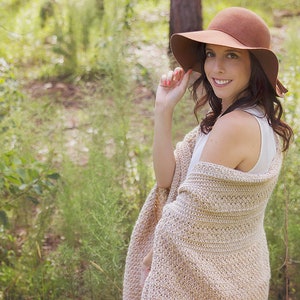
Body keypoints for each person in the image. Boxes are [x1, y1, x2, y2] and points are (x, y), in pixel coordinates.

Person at [123, 7, 293, 300]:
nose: (216, 68)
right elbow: (168, 179)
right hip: (240, 276)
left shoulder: (234, 126)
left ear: (255, 66)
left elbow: (185, 219)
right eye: (211, 54)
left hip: (212, 284)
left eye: (232, 56)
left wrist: (152, 258)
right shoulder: (247, 120)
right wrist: (163, 109)